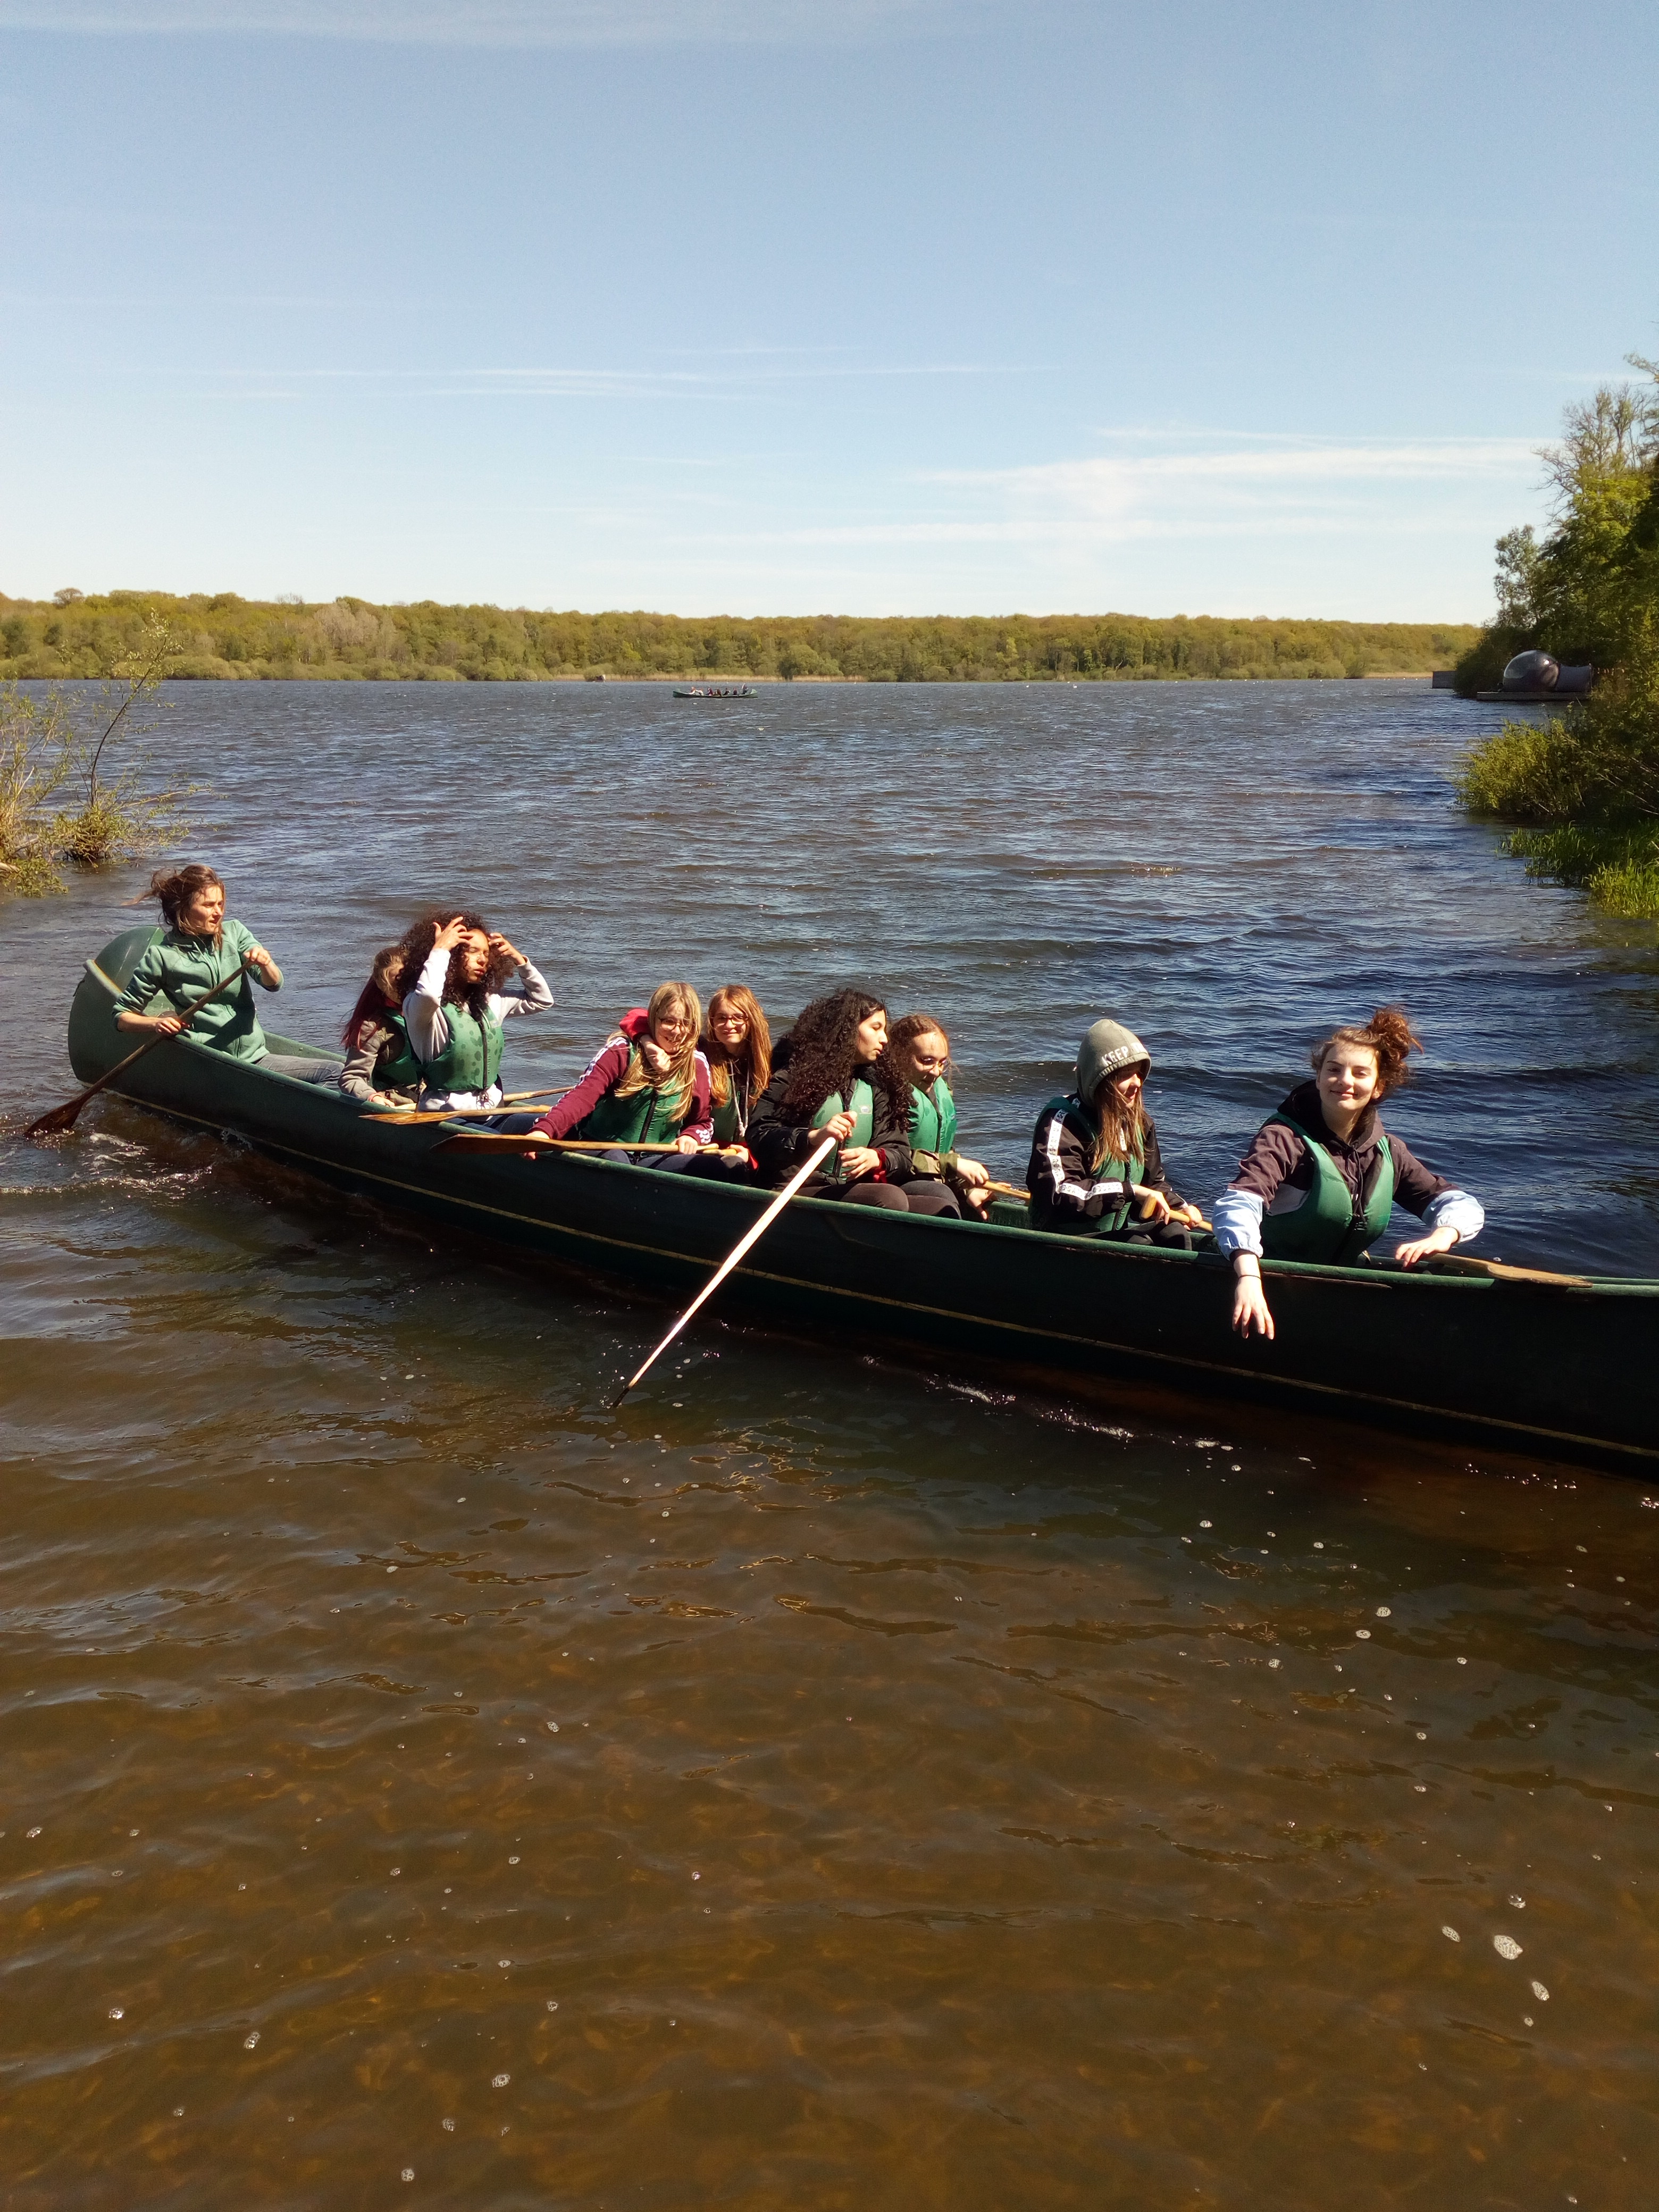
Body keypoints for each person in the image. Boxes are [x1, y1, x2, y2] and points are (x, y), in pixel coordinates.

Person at [1213, 1005, 1486, 1340]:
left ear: (1378, 1087)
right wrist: (1248, 1277)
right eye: (1334, 1070)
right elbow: (1239, 1204)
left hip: (1335, 1289)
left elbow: (1457, 1203)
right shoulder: (1283, 1139)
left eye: (1360, 1073)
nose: (1345, 1081)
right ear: (1318, 1078)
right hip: (1262, 1282)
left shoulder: (1388, 1152)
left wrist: (1444, 1234)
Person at [745, 988, 958, 1214]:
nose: (885, 1039)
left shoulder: (877, 1086)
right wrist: (813, 1137)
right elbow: (759, 1134)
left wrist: (878, 1158)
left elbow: (900, 1152)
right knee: (889, 1197)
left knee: (941, 1207)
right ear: (848, 1030)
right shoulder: (794, 1077)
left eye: (884, 1029)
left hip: (848, 1191)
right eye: (875, 1028)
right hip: (794, 1190)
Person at [111, 863, 326, 1079]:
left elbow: (274, 984)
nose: (219, 913)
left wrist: (265, 963)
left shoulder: (235, 933)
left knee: (334, 1073)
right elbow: (121, 1017)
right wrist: (156, 1023)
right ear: (183, 908)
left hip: (255, 1057)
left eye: (221, 904)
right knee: (333, 1075)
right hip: (210, 1063)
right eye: (209, 905)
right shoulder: (161, 957)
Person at [1026, 1018, 1202, 1242]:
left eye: (1139, 1073)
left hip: (1112, 1235)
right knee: (1138, 1243)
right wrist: (1129, 1191)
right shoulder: (1062, 1121)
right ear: (1099, 1081)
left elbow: (1152, 1184)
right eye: (1125, 1075)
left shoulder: (1141, 1124)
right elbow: (1058, 1193)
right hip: (1062, 1239)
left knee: (1175, 1234)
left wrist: (1179, 1207)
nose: (1137, 1083)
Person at [531, 981, 713, 1164]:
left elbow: (702, 1123)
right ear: (653, 1019)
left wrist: (692, 1136)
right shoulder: (621, 1051)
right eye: (669, 1021)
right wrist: (545, 1130)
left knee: (711, 1166)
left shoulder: (697, 1064)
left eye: (686, 1023)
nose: (677, 1031)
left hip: (654, 1158)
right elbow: (581, 1098)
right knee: (617, 1157)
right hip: (601, 1147)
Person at [397, 909, 553, 1113]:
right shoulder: (421, 1008)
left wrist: (519, 960)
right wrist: (440, 950)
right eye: (473, 951)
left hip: (491, 1110)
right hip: (445, 1114)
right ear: (452, 954)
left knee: (553, 1125)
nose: (483, 960)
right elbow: (429, 994)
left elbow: (542, 1000)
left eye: (487, 954)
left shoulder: (491, 1001)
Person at [881, 1013, 994, 1219]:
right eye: (926, 1061)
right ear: (898, 1055)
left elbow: (942, 1149)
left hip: (929, 1182)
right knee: (941, 1196)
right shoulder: (885, 1097)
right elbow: (893, 1157)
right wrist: (952, 1165)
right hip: (892, 1185)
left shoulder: (935, 1089)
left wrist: (967, 1188)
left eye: (941, 1063)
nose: (936, 1072)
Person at [338, 945, 422, 1109]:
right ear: (382, 985)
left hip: (436, 1100)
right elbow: (351, 1078)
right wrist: (372, 1097)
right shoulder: (373, 1028)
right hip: (400, 1105)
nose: (403, 989)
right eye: (395, 984)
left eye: (408, 980)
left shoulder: (434, 1013)